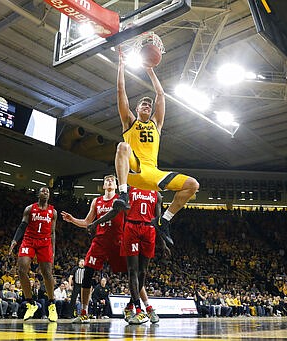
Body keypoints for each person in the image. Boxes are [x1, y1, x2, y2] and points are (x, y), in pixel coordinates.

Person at [113, 51, 199, 245]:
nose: (147, 105)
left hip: (153, 174)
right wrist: (121, 67)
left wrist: (150, 71)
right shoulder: (129, 122)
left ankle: (163, 220)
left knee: (193, 185)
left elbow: (160, 94)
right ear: (136, 109)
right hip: (135, 169)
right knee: (123, 146)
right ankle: (123, 193)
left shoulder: (156, 124)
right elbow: (120, 91)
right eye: (143, 103)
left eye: (149, 105)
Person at [60, 175, 153, 324]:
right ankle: (84, 312)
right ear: (103, 186)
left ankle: (147, 307)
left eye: (112, 180)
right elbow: (87, 222)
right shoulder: (96, 201)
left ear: (117, 186)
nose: (109, 182)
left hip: (119, 241)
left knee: (133, 274)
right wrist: (73, 220)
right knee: (87, 274)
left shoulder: (122, 200)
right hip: (100, 242)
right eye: (106, 180)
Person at [87, 186, 167, 324]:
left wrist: (163, 242)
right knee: (132, 271)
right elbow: (115, 210)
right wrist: (96, 223)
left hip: (149, 230)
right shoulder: (129, 190)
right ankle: (138, 309)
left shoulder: (156, 194)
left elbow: (158, 220)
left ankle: (130, 305)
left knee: (143, 272)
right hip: (132, 228)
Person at [9, 186, 58, 322]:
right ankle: (30, 303)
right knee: (21, 270)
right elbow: (22, 226)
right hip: (29, 240)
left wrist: (53, 251)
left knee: (47, 273)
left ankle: (51, 304)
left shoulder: (53, 212)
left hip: (45, 242)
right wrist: (14, 240)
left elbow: (53, 232)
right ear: (38, 194)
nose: (45, 193)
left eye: (47, 192)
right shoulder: (29, 209)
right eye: (43, 191)